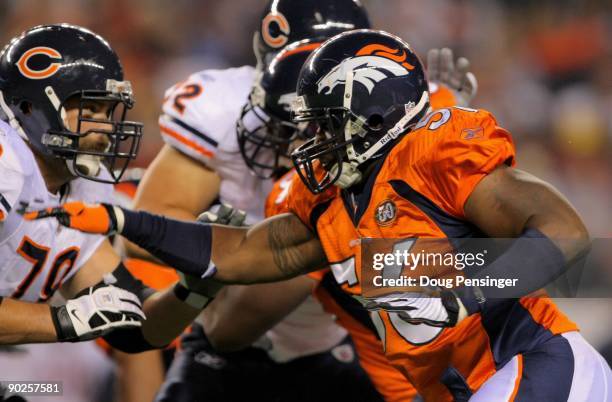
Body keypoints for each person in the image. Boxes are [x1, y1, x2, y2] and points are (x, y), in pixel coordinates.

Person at [28, 29, 611, 401]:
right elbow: (240, 254)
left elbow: (564, 233)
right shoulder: (328, 201)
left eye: (323, 121)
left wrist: (463, 293)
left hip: (534, 364)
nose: (308, 138)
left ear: (373, 111)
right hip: (466, 389)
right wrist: (124, 221)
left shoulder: (435, 147)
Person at [0, 24, 204, 351]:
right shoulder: (6, 163)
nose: (105, 128)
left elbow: (133, 329)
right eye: (90, 109)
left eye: (109, 112)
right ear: (29, 107)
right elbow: (79, 318)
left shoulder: (83, 188)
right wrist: (65, 320)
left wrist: (195, 290)